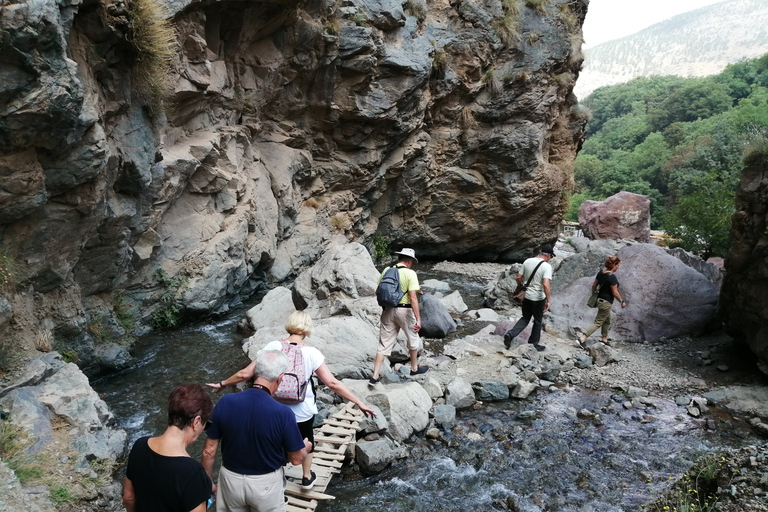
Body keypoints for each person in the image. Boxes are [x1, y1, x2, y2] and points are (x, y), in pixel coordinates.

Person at [207, 311, 376, 491]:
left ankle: (278, 485)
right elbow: (333, 383)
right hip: (302, 411)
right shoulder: (312, 353)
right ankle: (306, 477)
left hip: (273, 409)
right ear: (307, 329)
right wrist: (359, 402)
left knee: (275, 445)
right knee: (307, 441)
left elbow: (245, 373)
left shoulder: (273, 346)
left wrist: (222, 383)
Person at [201, 350, 312, 512]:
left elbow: (208, 451)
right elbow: (296, 459)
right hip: (266, 485)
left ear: (255, 373)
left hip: (231, 480)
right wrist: (305, 448)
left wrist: (208, 483)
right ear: (280, 378)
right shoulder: (283, 413)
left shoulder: (226, 402)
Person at [123, 384, 213, 512]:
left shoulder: (139, 446)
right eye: (206, 424)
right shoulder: (193, 472)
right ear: (196, 422)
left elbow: (128, 498)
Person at [369, 247, 428, 385]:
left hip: (388, 311)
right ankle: (414, 368)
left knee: (383, 344)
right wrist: (418, 319)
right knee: (413, 338)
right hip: (405, 311)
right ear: (409, 261)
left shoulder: (386, 270)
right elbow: (413, 298)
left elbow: (377, 291)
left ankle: (375, 375)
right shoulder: (410, 273)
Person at [502, 245, 556, 352]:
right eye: (551, 257)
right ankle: (533, 344)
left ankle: (510, 334)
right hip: (538, 298)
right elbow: (546, 284)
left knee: (525, 318)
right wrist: (549, 300)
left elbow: (518, 277)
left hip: (526, 296)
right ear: (548, 255)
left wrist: (521, 285)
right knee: (537, 321)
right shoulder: (546, 267)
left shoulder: (527, 261)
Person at [577, 256, 627, 348]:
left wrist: (594, 295)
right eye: (618, 265)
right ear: (614, 265)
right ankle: (582, 338)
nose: (618, 267)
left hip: (600, 300)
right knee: (598, 322)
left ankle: (604, 339)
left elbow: (594, 286)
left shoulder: (600, 273)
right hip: (606, 302)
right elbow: (615, 292)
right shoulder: (612, 277)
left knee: (607, 320)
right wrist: (621, 301)